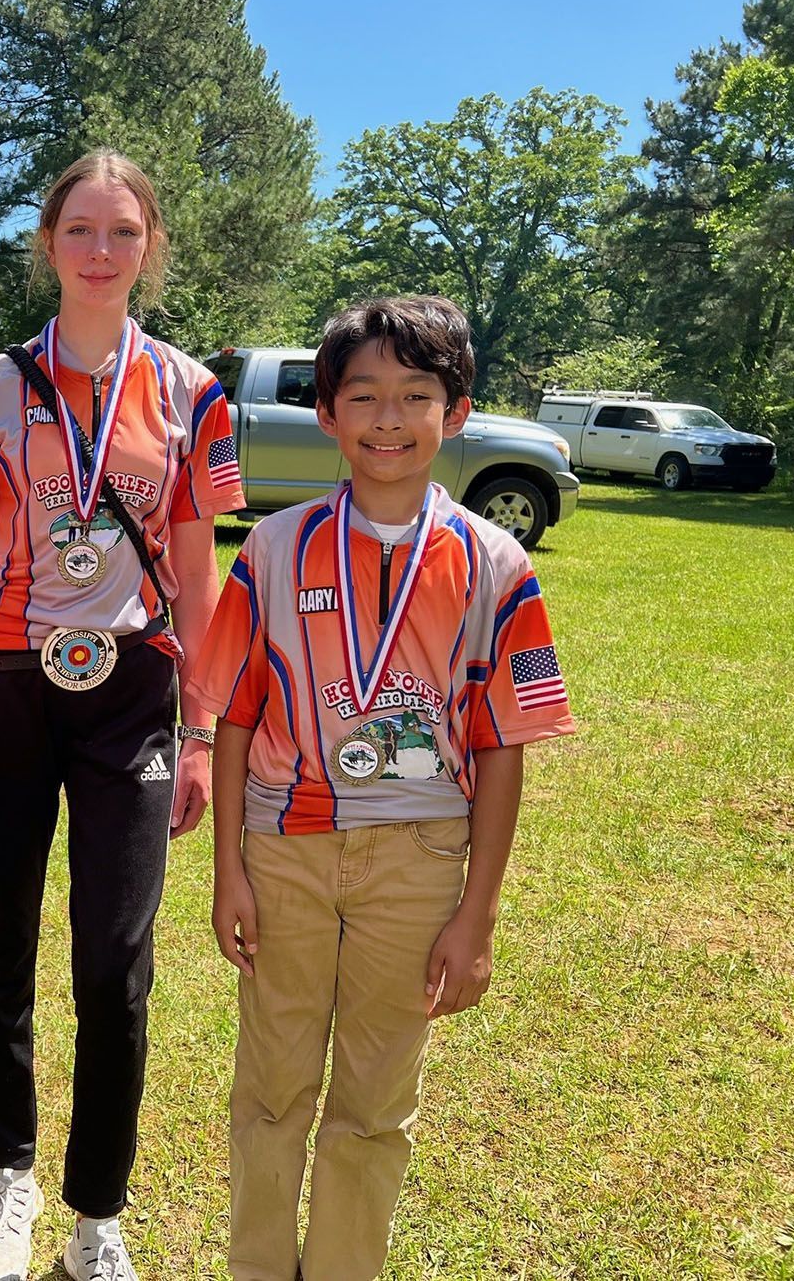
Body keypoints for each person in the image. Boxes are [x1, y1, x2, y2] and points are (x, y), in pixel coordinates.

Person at [0, 149, 247, 1281]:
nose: (101, 252)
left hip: (133, 697)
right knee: (1, 939)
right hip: (3, 685)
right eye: (81, 231)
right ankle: (8, 1173)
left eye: (123, 232)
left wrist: (201, 729)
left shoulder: (195, 393)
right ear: (48, 244)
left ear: (151, 247)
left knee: (115, 956)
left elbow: (201, 569)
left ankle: (96, 1210)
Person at [194, 295, 576, 1280]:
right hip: (285, 853)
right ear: (327, 414)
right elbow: (233, 716)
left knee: (374, 1106)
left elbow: (502, 746)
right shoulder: (273, 552)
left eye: (417, 395)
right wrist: (228, 870)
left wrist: (476, 916)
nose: (390, 420)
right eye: (362, 396)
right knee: (271, 1092)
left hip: (418, 862)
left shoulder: (497, 565)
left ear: (457, 410)